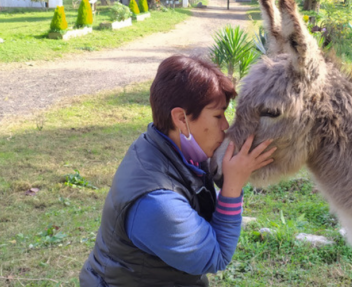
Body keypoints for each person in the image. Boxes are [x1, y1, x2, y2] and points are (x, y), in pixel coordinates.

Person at [79, 55, 275, 287]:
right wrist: (233, 186)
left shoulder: (161, 145)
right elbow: (216, 256)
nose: (225, 126)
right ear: (182, 119)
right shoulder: (158, 204)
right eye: (217, 115)